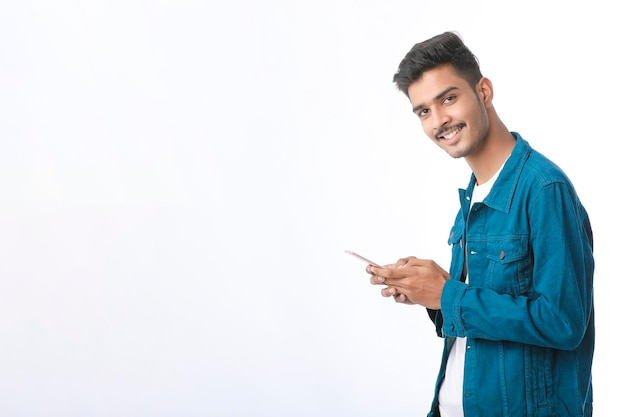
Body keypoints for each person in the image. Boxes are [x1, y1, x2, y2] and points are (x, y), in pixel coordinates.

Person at [367, 31, 594, 417]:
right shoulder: (474, 196)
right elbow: (488, 318)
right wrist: (434, 295)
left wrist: (448, 296)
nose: (439, 121)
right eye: (423, 111)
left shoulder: (543, 189)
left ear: (484, 92)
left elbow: (563, 322)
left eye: (448, 98)